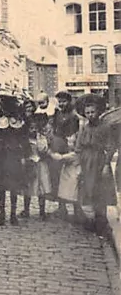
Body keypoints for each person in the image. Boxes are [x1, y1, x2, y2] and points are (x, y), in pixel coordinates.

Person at [74, 94, 117, 236]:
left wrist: (106, 165)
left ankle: (101, 222)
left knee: (100, 191)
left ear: (98, 112)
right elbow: (78, 147)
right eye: (88, 113)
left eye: (93, 112)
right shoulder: (84, 128)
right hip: (86, 162)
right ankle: (89, 221)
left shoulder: (105, 127)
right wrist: (79, 166)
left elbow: (111, 146)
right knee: (87, 190)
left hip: (99, 161)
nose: (90, 115)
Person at [0, 95, 29, 226]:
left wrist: (24, 156)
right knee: (1, 187)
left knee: (14, 187)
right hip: (2, 157)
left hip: (14, 157)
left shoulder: (18, 122)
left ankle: (13, 214)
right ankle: (2, 213)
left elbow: (24, 141)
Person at [47, 90, 81, 219]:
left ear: (69, 101)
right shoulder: (57, 114)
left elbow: (73, 134)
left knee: (71, 179)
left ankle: (76, 209)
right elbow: (54, 128)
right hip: (57, 147)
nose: (61, 104)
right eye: (59, 101)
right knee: (57, 178)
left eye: (64, 101)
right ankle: (62, 208)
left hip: (68, 148)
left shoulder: (73, 116)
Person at [21, 99, 51, 221]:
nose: (33, 130)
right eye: (31, 128)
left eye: (35, 128)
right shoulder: (26, 139)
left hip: (40, 164)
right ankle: (26, 209)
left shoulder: (41, 138)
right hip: (29, 163)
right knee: (28, 187)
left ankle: (42, 211)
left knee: (41, 188)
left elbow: (44, 149)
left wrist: (41, 140)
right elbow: (23, 150)